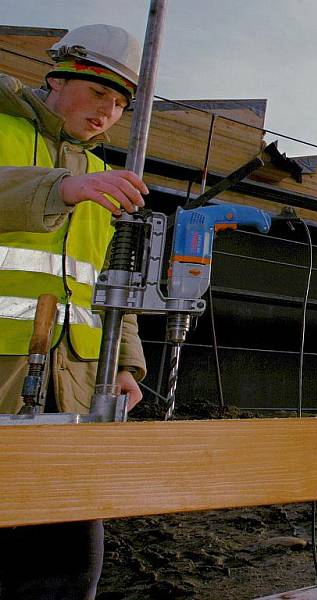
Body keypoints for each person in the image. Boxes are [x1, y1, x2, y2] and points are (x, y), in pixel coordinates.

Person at [0, 24, 149, 598]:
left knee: (63, 565)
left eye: (119, 104)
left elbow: (109, 286)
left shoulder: (99, 177)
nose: (108, 113)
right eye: (98, 95)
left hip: (74, 386)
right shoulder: (7, 130)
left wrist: (125, 364)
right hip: (3, 375)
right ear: (58, 78)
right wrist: (58, 188)